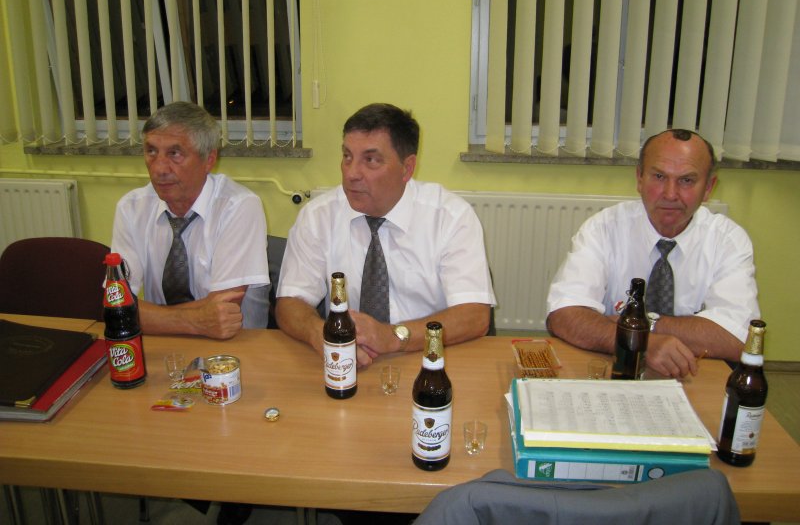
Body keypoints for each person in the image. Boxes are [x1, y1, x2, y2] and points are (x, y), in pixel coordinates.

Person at [276, 102, 496, 367]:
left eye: (370, 160)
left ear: (407, 168)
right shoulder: (318, 216)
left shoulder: (450, 217)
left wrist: (393, 337)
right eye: (347, 156)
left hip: (427, 359)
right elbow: (290, 302)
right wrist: (320, 334)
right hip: (348, 364)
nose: (351, 174)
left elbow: (474, 316)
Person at [546, 129, 759, 379]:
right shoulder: (603, 228)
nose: (670, 194)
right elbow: (563, 315)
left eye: (686, 180)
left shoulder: (728, 240)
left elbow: (740, 338)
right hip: (614, 367)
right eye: (659, 177)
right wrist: (644, 343)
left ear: (708, 188)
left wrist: (640, 327)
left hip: (692, 375)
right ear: (639, 178)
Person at [111, 101, 269, 338]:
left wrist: (145, 315)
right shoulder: (131, 208)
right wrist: (196, 320)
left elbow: (224, 309)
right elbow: (115, 305)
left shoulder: (239, 206)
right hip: (163, 343)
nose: (159, 169)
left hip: (235, 347)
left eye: (174, 154)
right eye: (151, 151)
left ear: (209, 160)